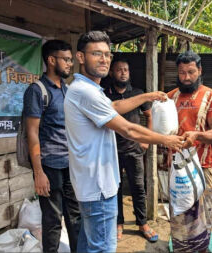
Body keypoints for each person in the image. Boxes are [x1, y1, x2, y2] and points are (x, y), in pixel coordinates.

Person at [64, 31, 183, 253]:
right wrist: (167, 139)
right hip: (98, 187)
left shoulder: (86, 89)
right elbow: (128, 128)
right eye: (96, 54)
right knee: (101, 248)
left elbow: (115, 107)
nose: (104, 59)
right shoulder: (85, 92)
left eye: (107, 54)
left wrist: (148, 96)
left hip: (90, 184)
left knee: (88, 244)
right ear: (80, 57)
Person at [23, 40, 81, 252]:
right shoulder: (37, 91)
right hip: (50, 166)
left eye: (70, 59)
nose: (69, 64)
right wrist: (38, 172)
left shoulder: (67, 89)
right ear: (51, 60)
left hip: (70, 166)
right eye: (65, 59)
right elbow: (32, 133)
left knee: (75, 217)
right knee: (52, 220)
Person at [167, 51, 212, 252]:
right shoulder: (170, 97)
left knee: (202, 215)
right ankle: (181, 248)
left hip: (202, 167)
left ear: (200, 71)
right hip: (177, 169)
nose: (187, 77)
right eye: (182, 73)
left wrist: (196, 136)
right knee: (179, 215)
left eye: (191, 72)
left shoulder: (211, 96)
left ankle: (201, 248)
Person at [104, 59, 158, 242]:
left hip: (134, 149)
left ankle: (142, 223)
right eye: (119, 70)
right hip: (112, 150)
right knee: (115, 188)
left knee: (138, 187)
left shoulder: (137, 93)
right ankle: (118, 223)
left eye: (126, 70)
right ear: (112, 73)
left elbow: (149, 116)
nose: (123, 73)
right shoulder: (105, 95)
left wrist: (146, 140)